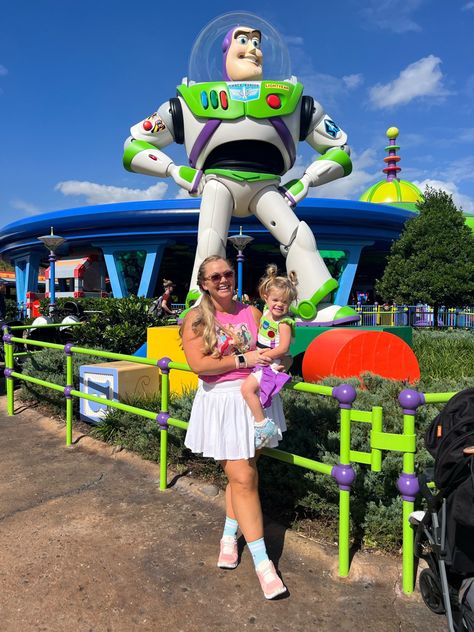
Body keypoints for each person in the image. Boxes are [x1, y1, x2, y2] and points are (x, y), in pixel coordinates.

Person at [124, 16, 359, 326]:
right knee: (210, 241)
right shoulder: (189, 103)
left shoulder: (294, 102)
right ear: (225, 51)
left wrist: (306, 181)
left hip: (267, 187)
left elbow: (340, 151)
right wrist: (174, 171)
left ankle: (312, 305)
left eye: (258, 43)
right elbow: (134, 146)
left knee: (299, 235)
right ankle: (202, 307)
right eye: (244, 41)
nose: (253, 50)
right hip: (217, 183)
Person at [181, 255, 288, 600]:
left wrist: (279, 359)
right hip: (223, 403)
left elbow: (268, 347)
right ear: (204, 284)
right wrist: (245, 359)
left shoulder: (252, 312)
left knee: (244, 472)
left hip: (254, 398)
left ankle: (229, 535)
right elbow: (199, 365)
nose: (223, 279)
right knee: (243, 477)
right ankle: (263, 563)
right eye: (215, 277)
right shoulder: (195, 318)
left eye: (227, 273)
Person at [241, 265, 297, 449]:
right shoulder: (266, 311)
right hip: (264, 359)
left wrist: (263, 355)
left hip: (272, 359)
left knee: (247, 389)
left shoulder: (284, 323)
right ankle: (261, 423)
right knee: (258, 391)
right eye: (275, 300)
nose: (279, 304)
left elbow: (284, 347)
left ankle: (262, 425)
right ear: (266, 298)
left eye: (285, 302)